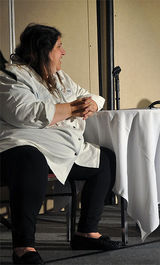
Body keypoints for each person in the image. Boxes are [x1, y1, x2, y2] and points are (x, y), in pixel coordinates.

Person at [0, 24, 121, 265]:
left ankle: (86, 232)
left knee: (104, 159)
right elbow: (24, 113)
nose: (63, 52)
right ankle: (24, 247)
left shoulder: (59, 77)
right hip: (23, 148)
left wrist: (92, 105)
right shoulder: (11, 75)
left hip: (63, 148)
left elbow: (93, 96)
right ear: (41, 51)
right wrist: (74, 108)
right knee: (31, 160)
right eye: (58, 47)